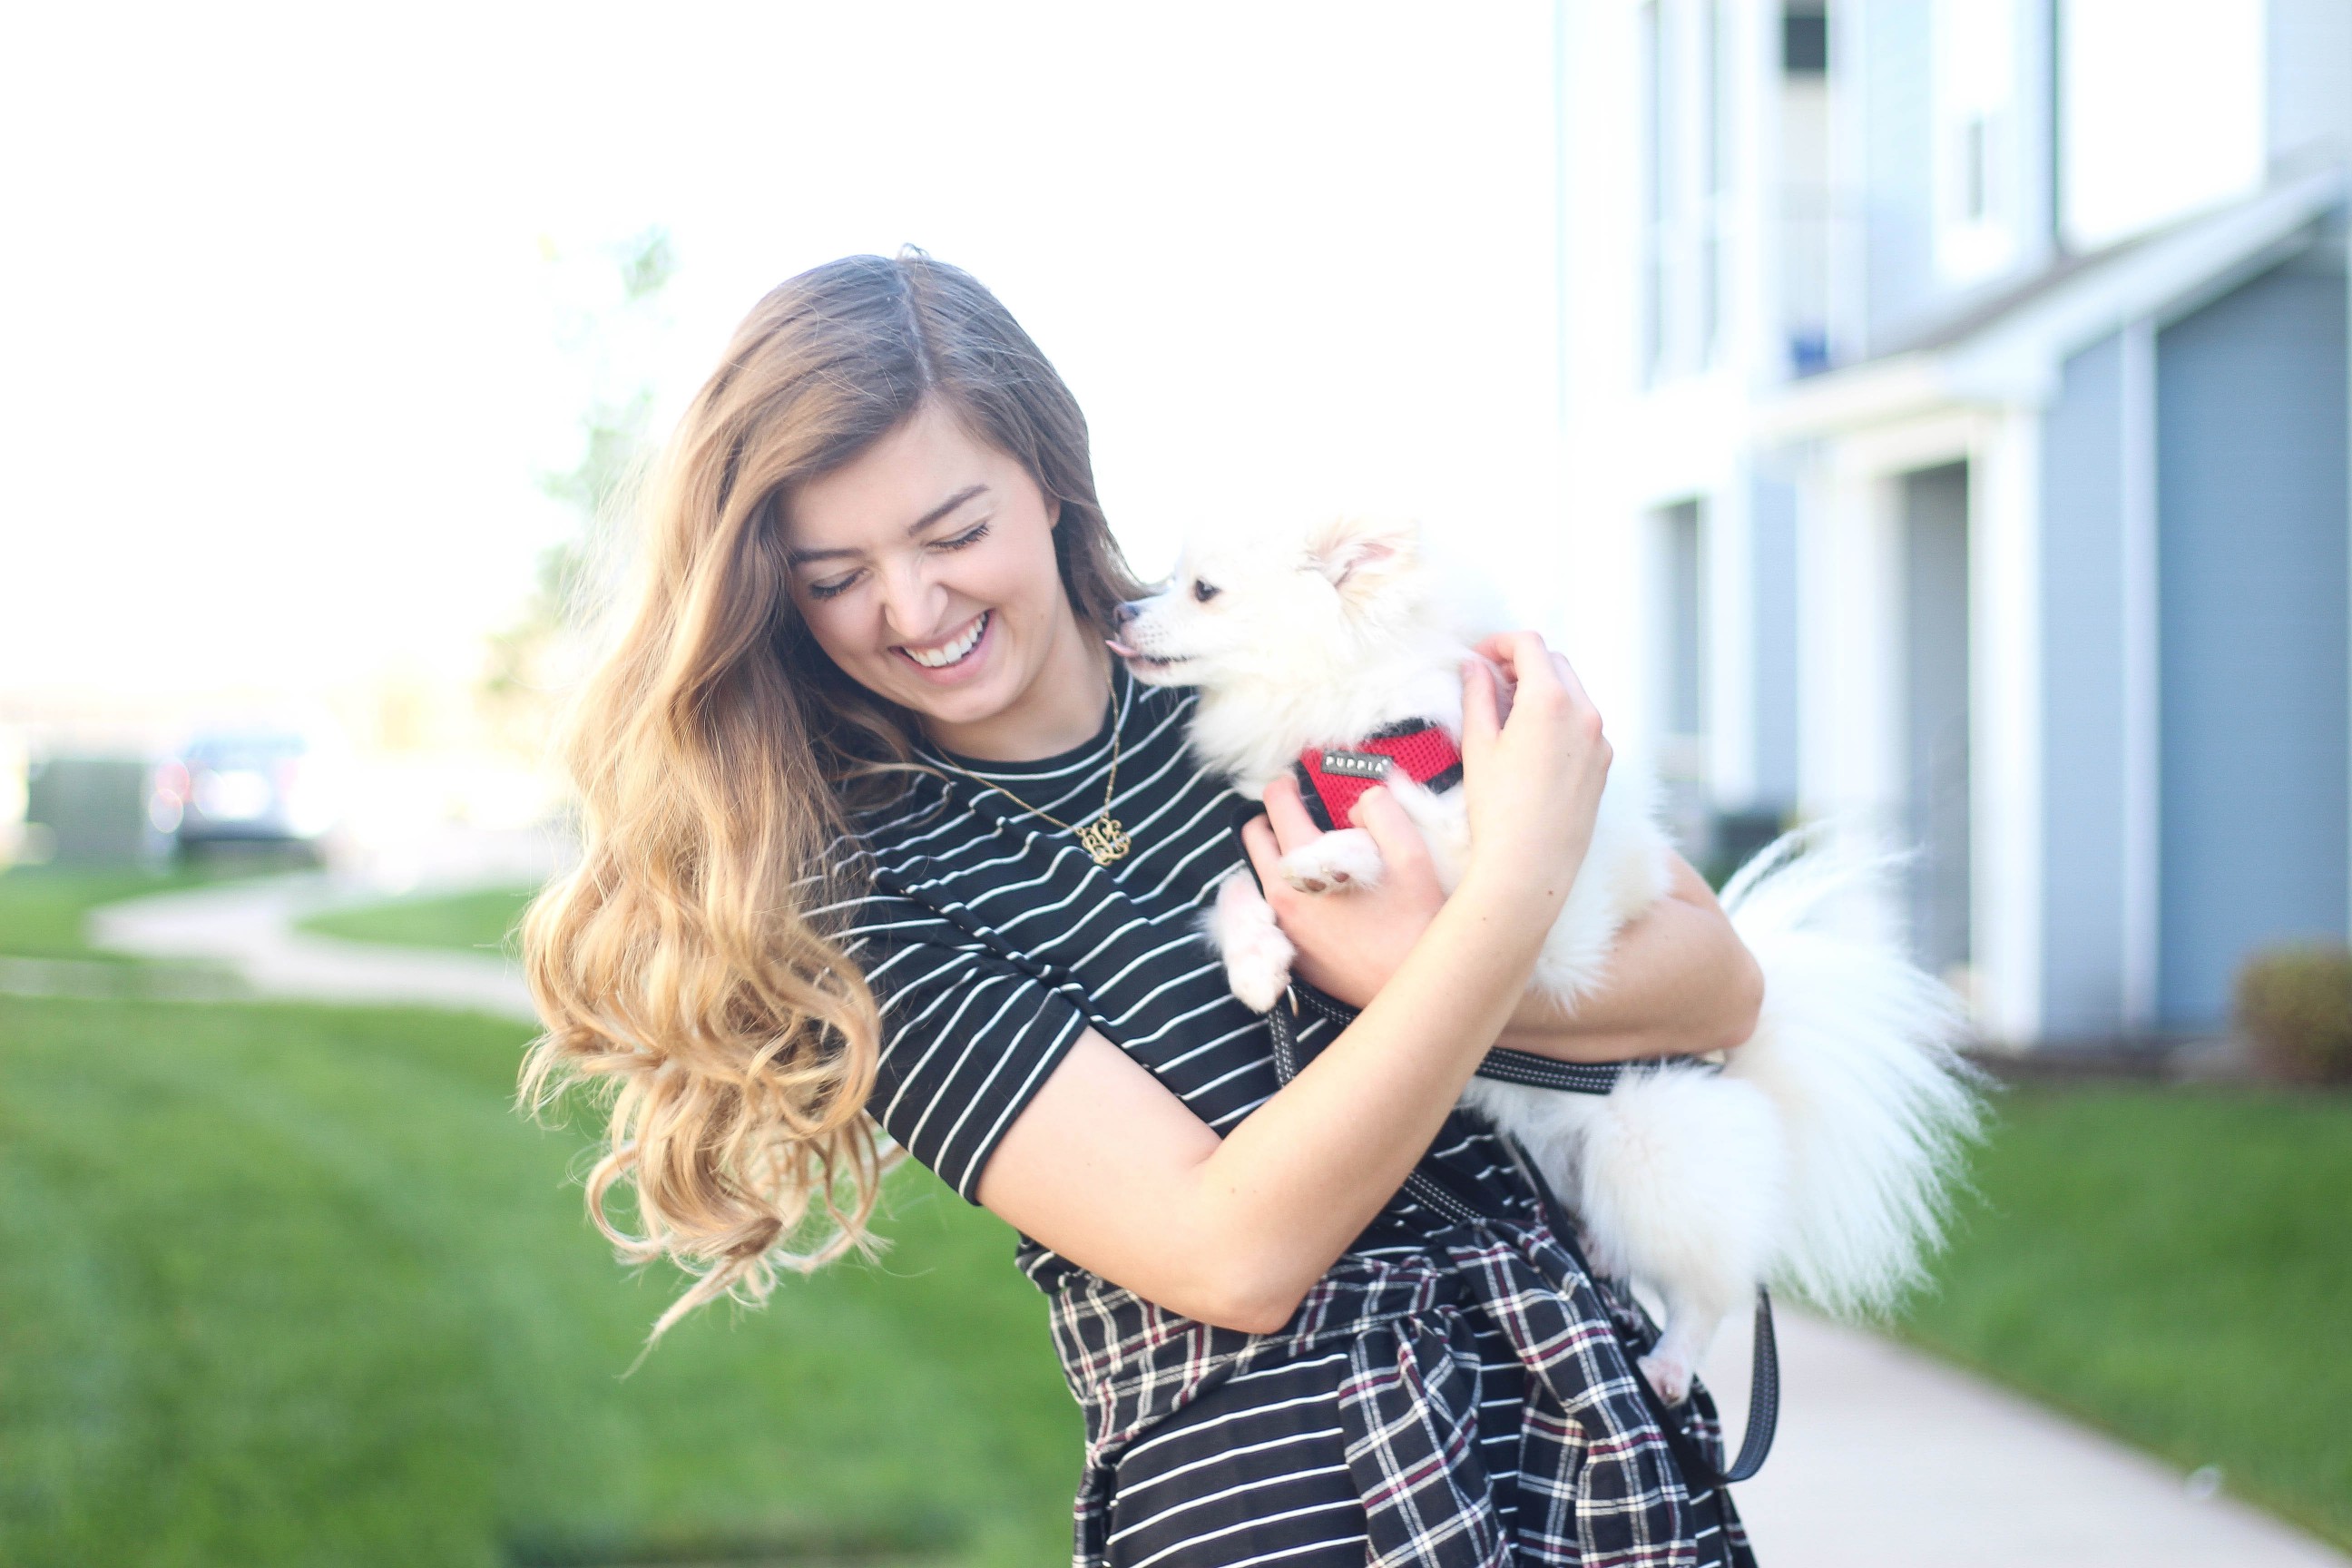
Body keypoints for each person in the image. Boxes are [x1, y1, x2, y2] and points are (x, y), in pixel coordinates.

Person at [521, 250, 1768, 1568]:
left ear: (1053, 482)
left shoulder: (1280, 661)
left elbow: (1720, 985)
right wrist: (1492, 914)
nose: (914, 607)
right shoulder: (861, 899)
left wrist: (1446, 962)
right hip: (1274, 1509)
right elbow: (1230, 1253)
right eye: (836, 576)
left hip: (1583, 1452)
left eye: (954, 534)